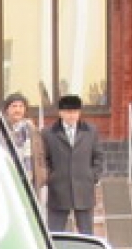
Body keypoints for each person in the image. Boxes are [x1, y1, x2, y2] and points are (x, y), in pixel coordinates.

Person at [43, 93, 103, 235]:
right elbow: (44, 159)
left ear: (79, 112)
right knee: (55, 232)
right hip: (58, 188)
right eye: (68, 112)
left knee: (86, 232)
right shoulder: (48, 133)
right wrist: (51, 177)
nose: (71, 115)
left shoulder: (90, 131)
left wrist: (93, 175)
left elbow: (98, 155)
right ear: (60, 113)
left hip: (84, 187)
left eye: (75, 112)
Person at [1, 92, 47, 201]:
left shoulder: (32, 130)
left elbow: (40, 155)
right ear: (7, 109)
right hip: (7, 178)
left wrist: (42, 175)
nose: (18, 110)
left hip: (29, 180)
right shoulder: (0, 129)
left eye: (21, 106)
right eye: (14, 106)